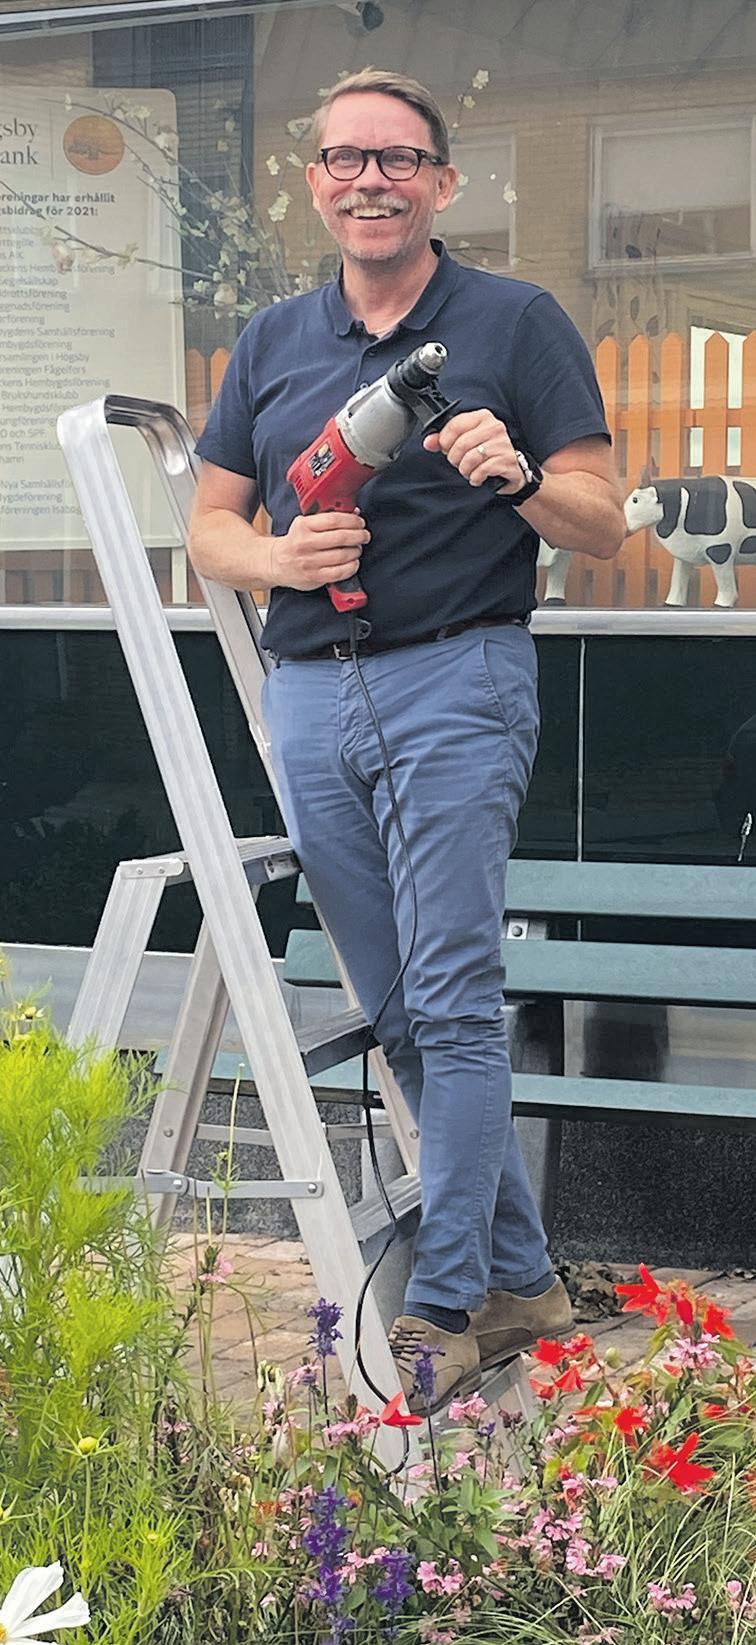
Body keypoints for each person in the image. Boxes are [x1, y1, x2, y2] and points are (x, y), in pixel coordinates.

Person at [188, 68, 626, 1412]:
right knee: (398, 1009)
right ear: (315, 182)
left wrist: (520, 477)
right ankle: (526, 1278)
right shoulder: (272, 339)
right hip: (312, 694)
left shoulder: (515, 321)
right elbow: (209, 526)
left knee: (451, 1000)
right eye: (346, 158)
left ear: (441, 180)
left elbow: (604, 521)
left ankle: (446, 1304)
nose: (369, 180)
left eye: (396, 158)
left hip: (457, 678)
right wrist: (279, 555)